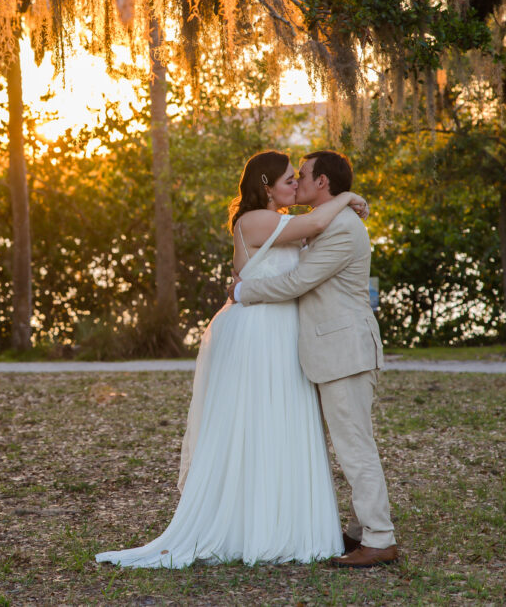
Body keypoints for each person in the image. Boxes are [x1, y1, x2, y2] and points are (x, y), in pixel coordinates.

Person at [96, 151, 369, 569]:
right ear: (266, 185)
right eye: (288, 180)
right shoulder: (255, 220)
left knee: (282, 422)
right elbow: (313, 224)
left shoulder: (279, 222)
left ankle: (287, 519)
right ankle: (253, 524)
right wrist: (349, 197)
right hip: (259, 331)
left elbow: (313, 239)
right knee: (257, 423)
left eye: (300, 179)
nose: (296, 185)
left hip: (280, 330)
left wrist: (343, 204)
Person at [232, 150, 398, 569]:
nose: (298, 182)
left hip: (345, 352)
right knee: (348, 444)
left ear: (322, 182)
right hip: (329, 352)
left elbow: (300, 281)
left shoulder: (340, 226)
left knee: (355, 446)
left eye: (302, 175)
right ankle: (359, 530)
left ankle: (380, 539)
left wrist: (242, 292)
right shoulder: (317, 225)